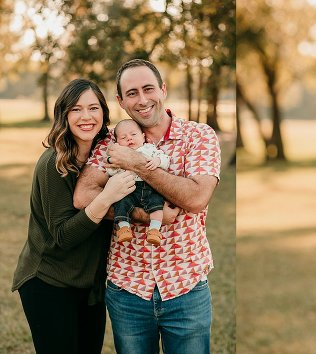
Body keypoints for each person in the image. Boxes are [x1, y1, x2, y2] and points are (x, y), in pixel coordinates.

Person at [73, 58, 221, 354]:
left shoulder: (198, 136)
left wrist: (138, 164)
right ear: (120, 101)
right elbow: (84, 195)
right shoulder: (110, 142)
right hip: (127, 287)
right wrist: (146, 215)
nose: (142, 100)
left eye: (148, 89)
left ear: (163, 90)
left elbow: (195, 198)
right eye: (131, 93)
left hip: (185, 285)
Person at [11, 79, 136, 354]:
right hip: (48, 282)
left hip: (90, 285)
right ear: (64, 115)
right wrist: (105, 197)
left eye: (93, 108)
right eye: (76, 109)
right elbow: (63, 236)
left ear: (104, 113)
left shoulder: (106, 156)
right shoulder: (53, 164)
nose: (86, 117)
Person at [108, 119, 170, 245]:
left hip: (149, 188)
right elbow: (110, 172)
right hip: (129, 189)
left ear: (143, 136)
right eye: (124, 137)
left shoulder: (149, 149)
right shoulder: (120, 155)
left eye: (133, 135)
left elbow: (165, 159)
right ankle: (124, 228)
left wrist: (157, 161)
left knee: (157, 204)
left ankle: (154, 230)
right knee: (120, 204)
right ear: (117, 142)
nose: (129, 139)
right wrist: (112, 163)